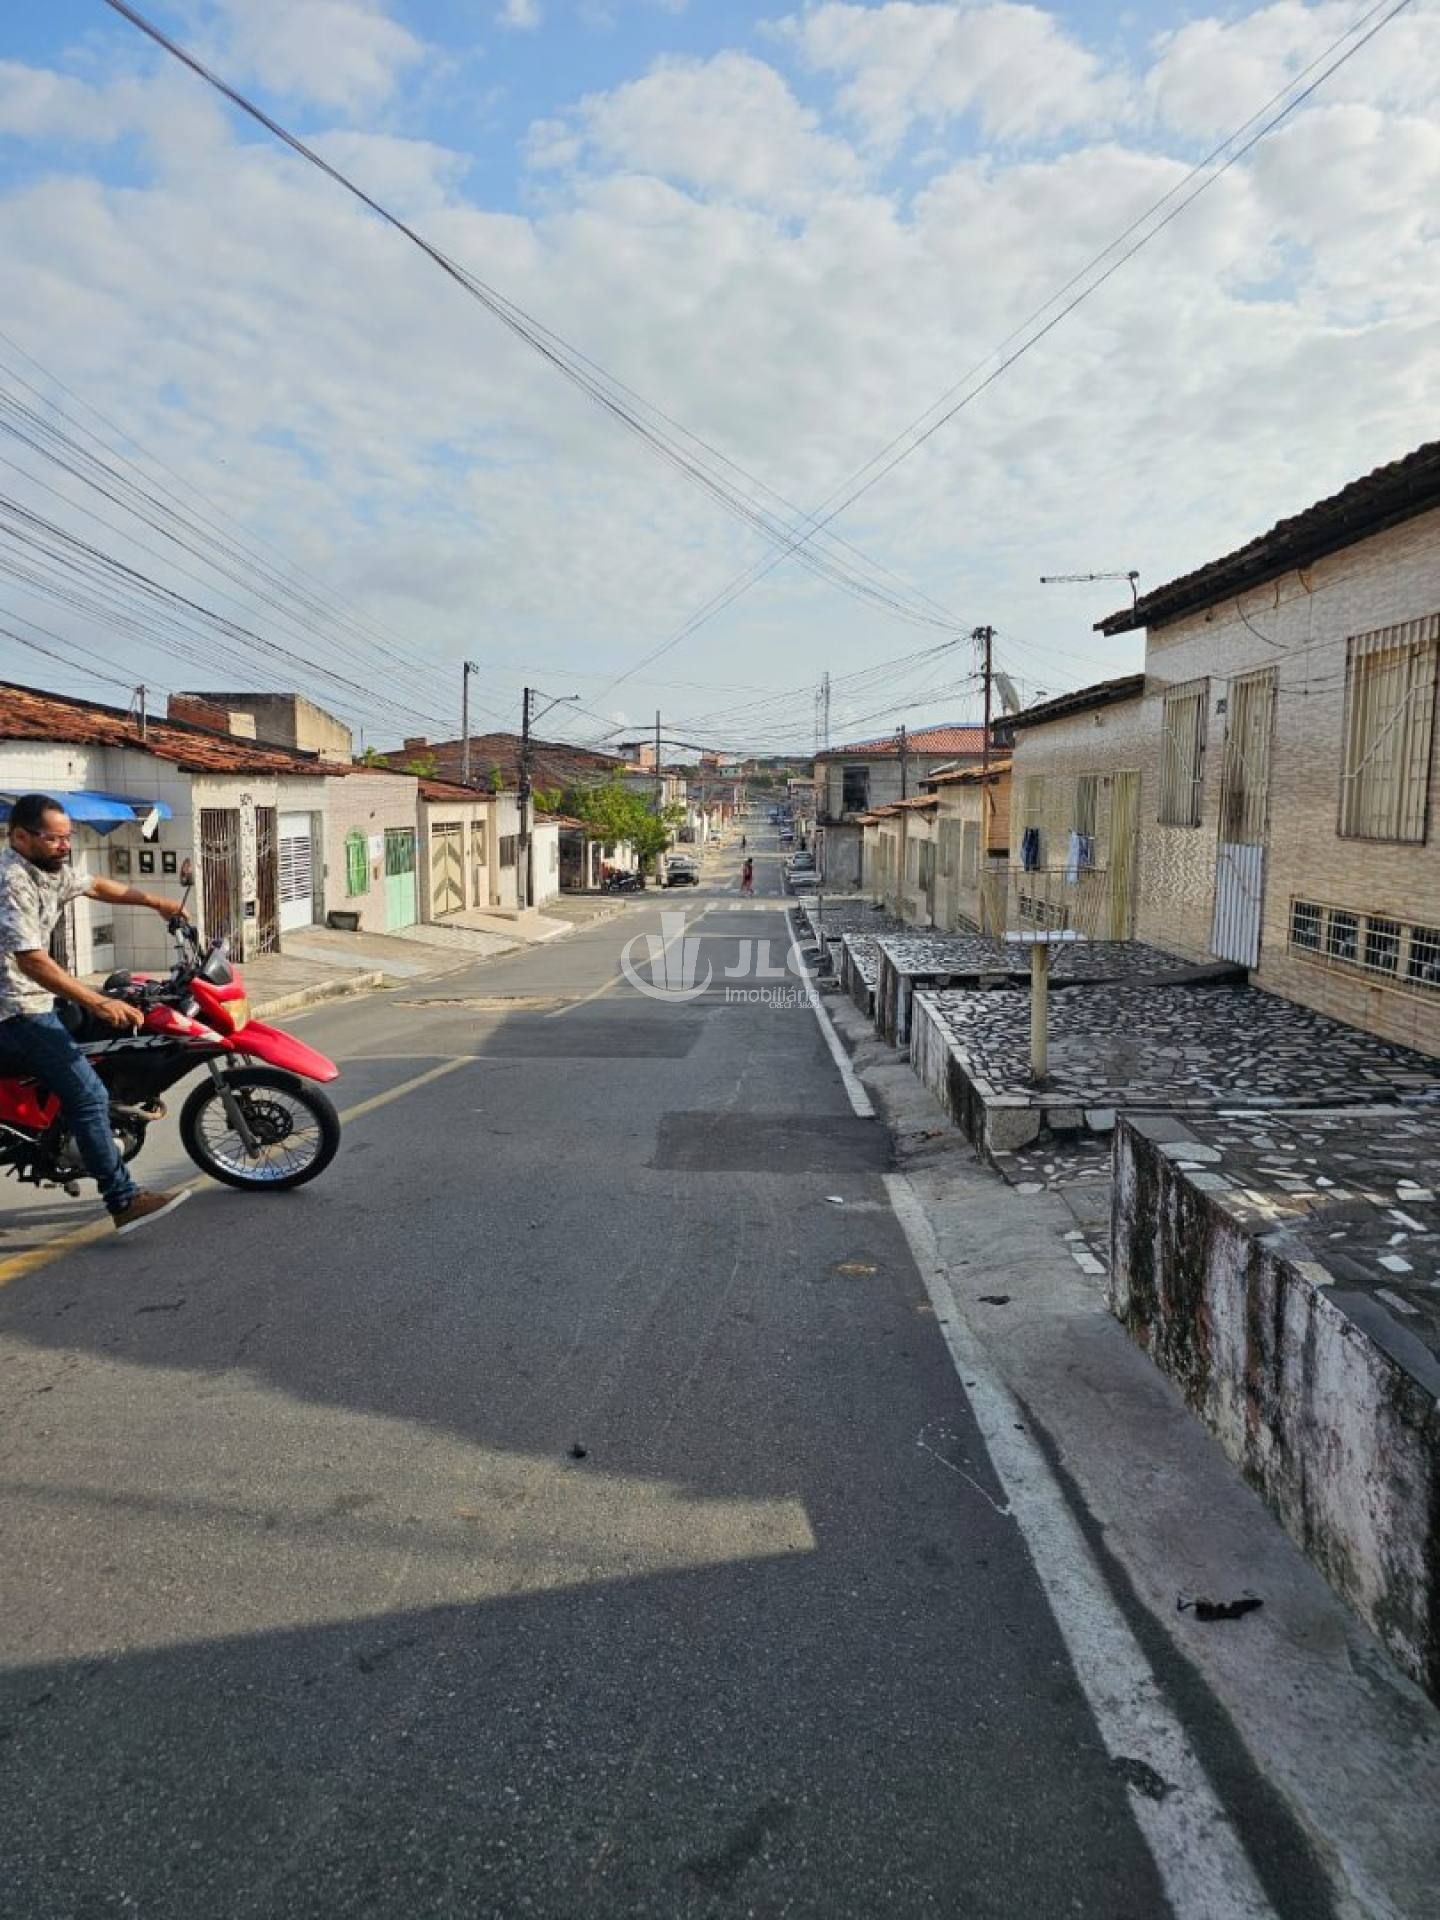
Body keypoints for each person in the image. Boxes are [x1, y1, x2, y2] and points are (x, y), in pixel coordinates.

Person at [0, 793, 192, 1234]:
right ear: (21, 837)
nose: (65, 846)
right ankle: (123, 1200)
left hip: (35, 996)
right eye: (55, 839)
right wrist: (97, 999)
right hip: (14, 1007)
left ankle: (70, 1133)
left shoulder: (47, 870)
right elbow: (30, 960)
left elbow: (95, 885)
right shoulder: (12, 882)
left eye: (68, 838)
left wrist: (155, 902)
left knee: (98, 1043)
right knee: (87, 1095)